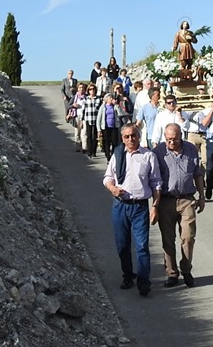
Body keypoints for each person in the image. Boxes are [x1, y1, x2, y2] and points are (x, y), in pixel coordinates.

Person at [103, 125, 162, 296]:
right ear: (122, 138)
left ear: (139, 136)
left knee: (142, 245)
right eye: (127, 136)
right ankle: (128, 276)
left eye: (133, 136)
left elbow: (156, 183)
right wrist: (112, 189)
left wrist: (155, 206)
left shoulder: (148, 156)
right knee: (122, 245)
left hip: (139, 207)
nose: (130, 139)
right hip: (120, 205)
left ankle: (144, 281)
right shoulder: (118, 155)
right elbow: (108, 177)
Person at [153, 124, 205, 288]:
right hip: (166, 201)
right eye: (168, 139)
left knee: (188, 237)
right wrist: (154, 205)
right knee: (168, 240)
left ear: (181, 136)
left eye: (174, 139)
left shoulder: (190, 150)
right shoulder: (158, 153)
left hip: (187, 199)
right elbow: (154, 180)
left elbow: (198, 174)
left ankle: (186, 269)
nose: (171, 142)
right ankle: (172, 273)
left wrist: (202, 196)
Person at [81, 85, 103, 159]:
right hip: (88, 119)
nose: (92, 91)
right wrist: (82, 120)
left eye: (93, 89)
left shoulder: (99, 99)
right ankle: (89, 151)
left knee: (95, 136)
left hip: (96, 119)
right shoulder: (85, 99)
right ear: (88, 91)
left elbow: (101, 110)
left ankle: (94, 151)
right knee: (89, 135)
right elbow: (83, 110)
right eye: (90, 89)